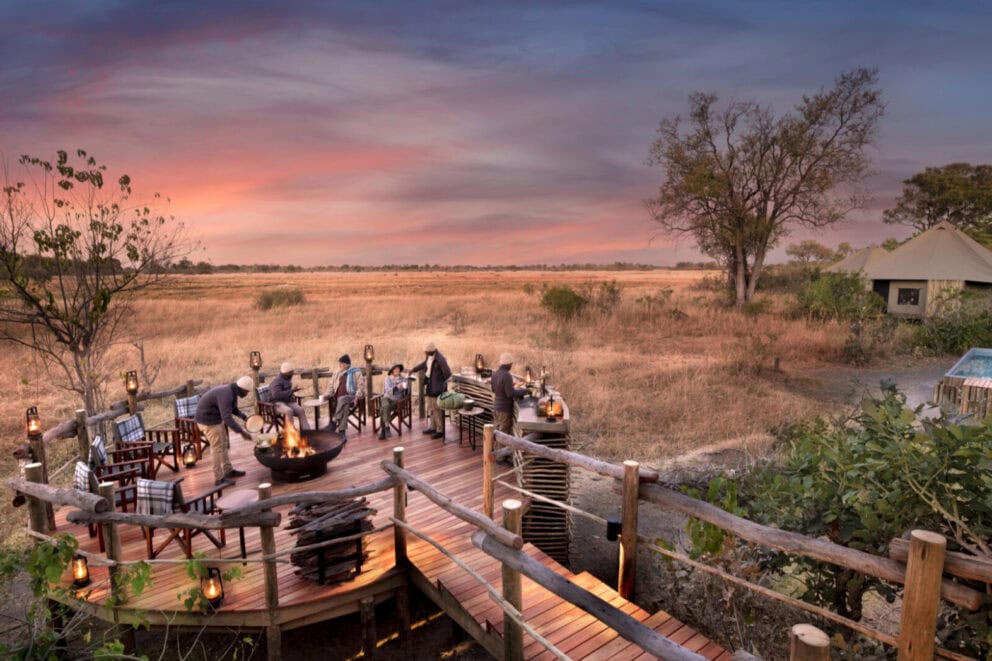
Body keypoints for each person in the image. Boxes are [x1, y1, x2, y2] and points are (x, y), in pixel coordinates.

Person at [195, 375, 253, 485]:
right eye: (247, 392)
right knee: (217, 448)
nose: (247, 395)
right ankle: (219, 479)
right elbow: (226, 417)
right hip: (207, 421)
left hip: (214, 419)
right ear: (243, 389)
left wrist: (246, 418)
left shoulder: (232, 391)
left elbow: (233, 409)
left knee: (224, 444)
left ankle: (228, 470)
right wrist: (241, 432)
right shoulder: (227, 394)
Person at [410, 341, 451, 440]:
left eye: (426, 352)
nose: (425, 353)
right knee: (432, 408)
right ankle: (433, 428)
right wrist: (414, 369)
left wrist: (439, 381)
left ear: (431, 351)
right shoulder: (429, 357)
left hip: (437, 388)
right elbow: (424, 364)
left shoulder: (441, 359)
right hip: (430, 386)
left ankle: (440, 430)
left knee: (437, 409)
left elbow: (448, 373)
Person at [324, 354, 365, 439]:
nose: (340, 366)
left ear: (347, 364)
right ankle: (342, 431)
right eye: (339, 364)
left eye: (341, 364)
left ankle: (334, 421)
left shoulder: (356, 372)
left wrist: (356, 397)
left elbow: (361, 388)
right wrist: (327, 394)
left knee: (343, 399)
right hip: (338, 400)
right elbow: (331, 386)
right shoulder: (337, 373)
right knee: (344, 405)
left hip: (352, 397)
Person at [491, 352, 528, 435]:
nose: (511, 366)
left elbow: (494, 389)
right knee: (504, 435)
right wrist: (525, 391)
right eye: (511, 364)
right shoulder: (507, 375)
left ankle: (495, 448)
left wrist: (510, 386)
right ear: (508, 364)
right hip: (504, 410)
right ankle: (501, 448)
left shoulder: (495, 374)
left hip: (496, 407)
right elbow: (510, 394)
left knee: (497, 432)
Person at [270, 361, 311, 430]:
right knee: (289, 411)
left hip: (287, 402)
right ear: (286, 374)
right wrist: (292, 391)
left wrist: (292, 395)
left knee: (300, 410)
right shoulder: (277, 381)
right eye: (291, 373)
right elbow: (276, 395)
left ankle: (308, 432)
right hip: (276, 404)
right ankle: (291, 434)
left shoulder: (287, 379)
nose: (292, 374)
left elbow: (287, 393)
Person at [378, 364, 408, 440]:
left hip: (396, 401)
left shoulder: (403, 379)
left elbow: (404, 390)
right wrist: (396, 387)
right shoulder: (387, 379)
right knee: (385, 404)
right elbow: (387, 390)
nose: (397, 371)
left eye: (398, 369)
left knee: (383, 409)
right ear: (392, 371)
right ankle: (387, 427)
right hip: (387, 398)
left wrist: (405, 386)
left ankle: (383, 430)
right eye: (395, 370)